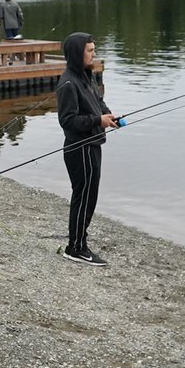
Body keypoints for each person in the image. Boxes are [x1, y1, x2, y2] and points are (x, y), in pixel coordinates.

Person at [56, 32, 117, 266]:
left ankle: (79, 242)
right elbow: (68, 121)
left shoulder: (86, 76)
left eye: (94, 50)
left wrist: (108, 116)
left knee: (90, 197)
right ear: (77, 53)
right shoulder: (68, 83)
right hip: (79, 148)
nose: (94, 54)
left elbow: (98, 103)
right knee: (83, 198)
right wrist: (97, 121)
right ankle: (76, 247)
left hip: (92, 144)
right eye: (90, 51)